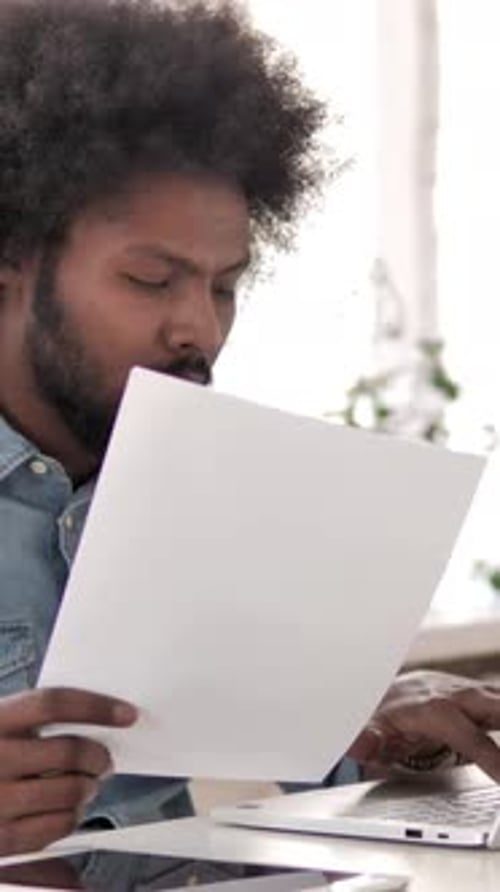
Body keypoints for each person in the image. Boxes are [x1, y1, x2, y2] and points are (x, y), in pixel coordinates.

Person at [0, 0, 500, 859]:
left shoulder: (212, 496)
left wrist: (380, 729)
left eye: (225, 286)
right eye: (151, 280)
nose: (201, 328)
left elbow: (304, 768)